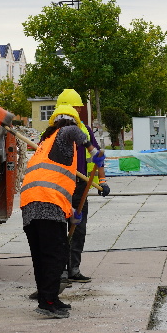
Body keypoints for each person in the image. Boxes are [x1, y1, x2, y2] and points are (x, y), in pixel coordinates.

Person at [20, 105, 104, 318]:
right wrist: (93, 151)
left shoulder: (46, 142)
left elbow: (56, 183)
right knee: (55, 255)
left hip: (32, 204)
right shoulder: (64, 134)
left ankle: (49, 298)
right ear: (73, 122)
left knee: (42, 256)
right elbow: (74, 132)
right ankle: (48, 303)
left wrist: (70, 213)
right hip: (46, 204)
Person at [54, 89, 110, 283]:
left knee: (78, 227)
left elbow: (98, 157)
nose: (75, 111)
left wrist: (102, 182)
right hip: (61, 187)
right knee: (60, 228)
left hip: (80, 186)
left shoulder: (84, 130)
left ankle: (73, 269)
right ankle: (60, 271)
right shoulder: (53, 132)